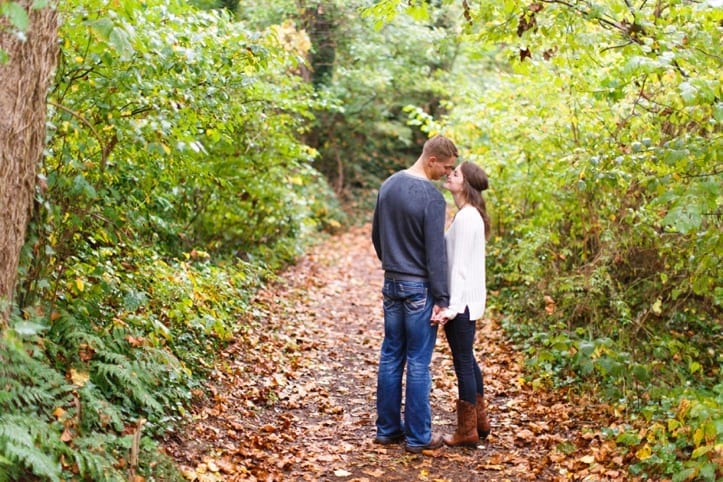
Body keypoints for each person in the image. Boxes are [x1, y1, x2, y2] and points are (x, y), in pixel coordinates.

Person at [371, 134, 458, 454]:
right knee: (418, 361)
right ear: (431, 159)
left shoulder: (389, 185)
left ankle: (388, 430)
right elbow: (436, 254)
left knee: (391, 354)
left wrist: (392, 264)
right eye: (446, 167)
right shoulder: (433, 199)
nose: (448, 174)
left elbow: (376, 235)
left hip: (392, 282)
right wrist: (442, 298)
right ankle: (419, 437)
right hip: (419, 287)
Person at [433, 161, 492, 447]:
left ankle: (467, 431)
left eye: (455, 174)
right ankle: (479, 422)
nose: (449, 175)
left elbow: (460, 267)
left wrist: (451, 307)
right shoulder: (466, 215)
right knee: (468, 359)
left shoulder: (468, 217)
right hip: (464, 301)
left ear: (465, 183)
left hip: (462, 303)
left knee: (464, 363)